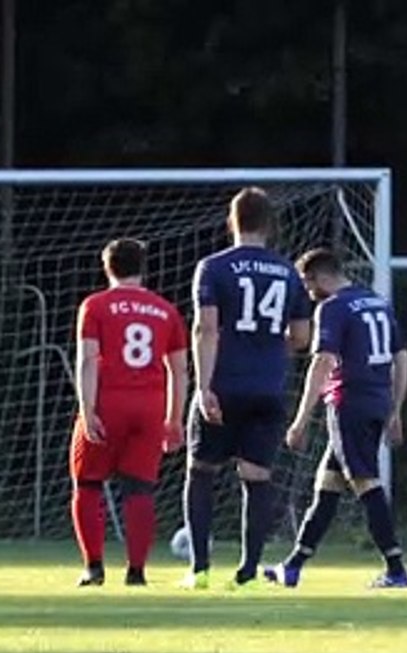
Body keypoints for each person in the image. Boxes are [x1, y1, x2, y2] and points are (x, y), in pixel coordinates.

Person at [181, 187, 311, 590]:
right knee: (257, 476)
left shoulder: (213, 267)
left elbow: (205, 328)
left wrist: (203, 387)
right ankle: (249, 572)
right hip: (268, 388)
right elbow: (302, 335)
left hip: (224, 383)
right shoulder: (289, 271)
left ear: (232, 221)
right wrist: (268, 350)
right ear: (269, 225)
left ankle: (200, 570)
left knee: (201, 471)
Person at [264, 247, 407, 589]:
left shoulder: (332, 308)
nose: (307, 292)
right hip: (376, 402)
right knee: (327, 485)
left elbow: (322, 363)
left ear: (320, 276)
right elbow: (402, 356)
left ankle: (396, 569)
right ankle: (293, 566)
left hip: (349, 404)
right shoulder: (378, 302)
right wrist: (396, 408)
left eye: (307, 283)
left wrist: (300, 420)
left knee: (365, 482)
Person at [72, 238, 188, 587]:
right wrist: (174, 418)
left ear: (107, 267)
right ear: (143, 267)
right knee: (140, 489)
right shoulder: (166, 310)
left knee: (88, 484)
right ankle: (136, 571)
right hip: (149, 406)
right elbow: (179, 369)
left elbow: (88, 359)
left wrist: (87, 409)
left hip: (109, 401)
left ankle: (93, 567)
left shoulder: (95, 306)